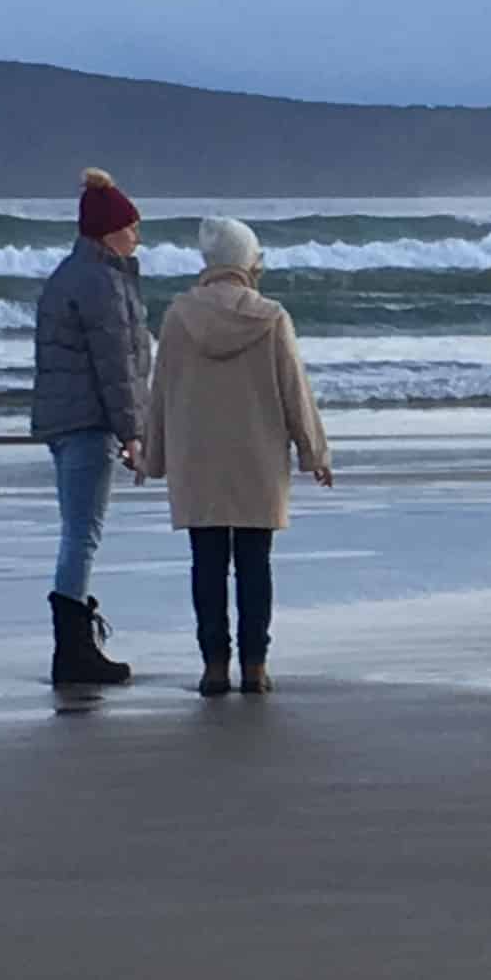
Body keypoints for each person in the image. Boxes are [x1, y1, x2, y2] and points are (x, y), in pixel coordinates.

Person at [145, 214, 335, 696]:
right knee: (255, 563)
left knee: (206, 564)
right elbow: (295, 391)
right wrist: (314, 452)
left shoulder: (177, 316)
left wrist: (154, 457)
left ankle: (213, 665)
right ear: (248, 261)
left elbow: (161, 391)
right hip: (257, 457)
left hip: (198, 458)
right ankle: (254, 665)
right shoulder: (271, 317)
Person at [30, 169, 150, 687]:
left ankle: (75, 643)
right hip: (87, 421)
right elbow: (115, 365)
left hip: (65, 419)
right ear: (108, 231)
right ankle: (73, 650)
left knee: (78, 531)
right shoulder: (102, 283)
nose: (137, 236)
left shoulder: (69, 275)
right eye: (131, 227)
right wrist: (132, 431)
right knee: (83, 534)